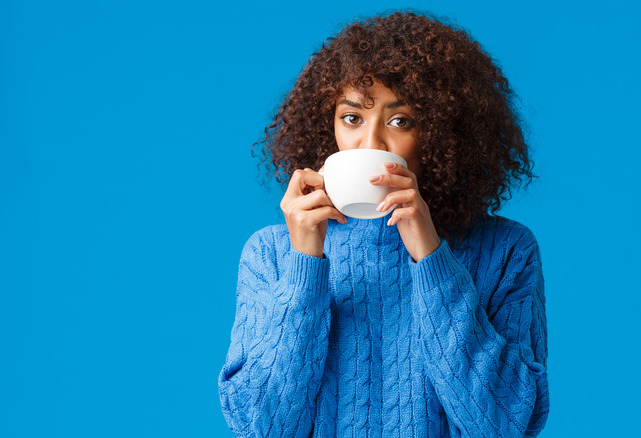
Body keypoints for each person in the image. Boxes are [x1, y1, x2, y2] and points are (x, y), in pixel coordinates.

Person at [218, 11, 549, 437]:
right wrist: (304, 265)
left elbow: (505, 425)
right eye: (352, 118)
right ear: (328, 126)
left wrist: (431, 257)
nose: (371, 143)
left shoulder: (506, 250)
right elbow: (261, 426)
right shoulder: (271, 253)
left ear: (443, 133)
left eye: (400, 121)